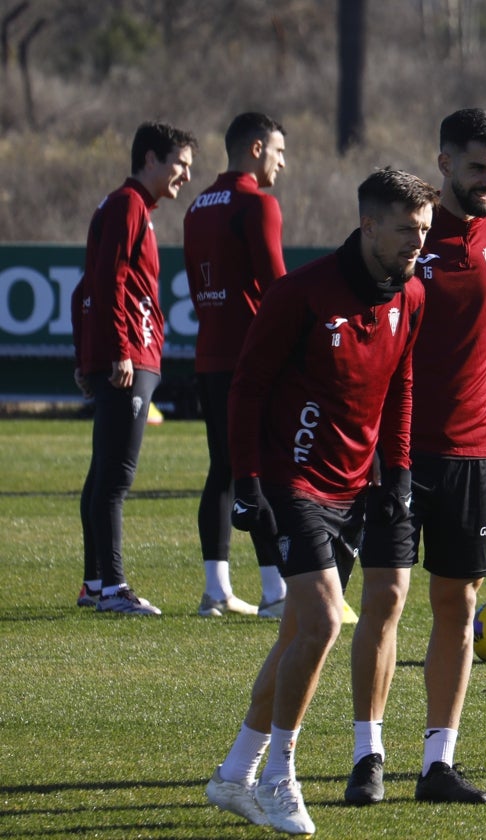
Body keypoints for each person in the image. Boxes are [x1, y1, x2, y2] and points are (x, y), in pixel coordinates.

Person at [204, 167, 437, 835]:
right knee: (325, 623)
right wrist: (246, 484)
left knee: (297, 635)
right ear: (367, 225)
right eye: (405, 231)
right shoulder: (301, 295)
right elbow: (246, 388)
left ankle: (233, 775)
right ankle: (281, 774)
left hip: (355, 485)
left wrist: (396, 476)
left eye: (424, 231)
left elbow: (401, 385)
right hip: (289, 480)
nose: (417, 243)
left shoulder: (412, 296)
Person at [343, 108, 486, 807]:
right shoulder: (406, 236)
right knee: (385, 598)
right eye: (476, 167)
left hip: (474, 456)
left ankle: (438, 763)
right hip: (392, 451)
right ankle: (367, 755)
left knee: (458, 607)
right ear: (445, 163)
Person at [71, 121, 196, 615]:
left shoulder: (128, 206)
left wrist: (87, 356)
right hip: (130, 356)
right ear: (149, 159)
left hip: (120, 353)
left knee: (102, 475)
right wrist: (120, 349)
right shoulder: (128, 205)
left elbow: (86, 289)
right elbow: (108, 281)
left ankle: (94, 582)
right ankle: (114, 589)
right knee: (116, 479)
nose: (185, 174)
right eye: (179, 163)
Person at [183, 112, 289, 620]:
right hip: (251, 359)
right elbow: (278, 287)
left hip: (210, 354)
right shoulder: (257, 204)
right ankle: (276, 592)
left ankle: (216, 590)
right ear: (254, 149)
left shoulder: (196, 206)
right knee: (260, 468)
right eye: (278, 152)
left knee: (223, 469)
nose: (281, 164)